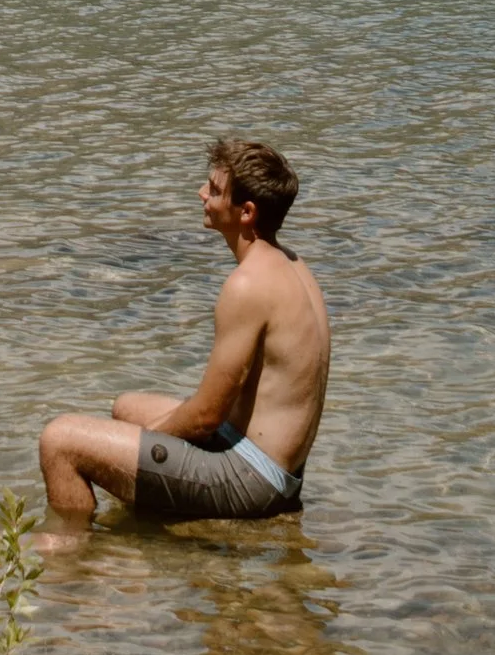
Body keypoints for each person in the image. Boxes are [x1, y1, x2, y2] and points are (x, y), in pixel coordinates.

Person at [38, 137, 328, 524]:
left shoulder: (247, 285)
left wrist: (153, 436)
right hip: (276, 466)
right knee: (125, 407)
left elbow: (207, 415)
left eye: (215, 190)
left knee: (59, 441)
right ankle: (146, 528)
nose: (201, 193)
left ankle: (71, 565)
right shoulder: (294, 266)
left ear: (246, 212)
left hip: (251, 479)